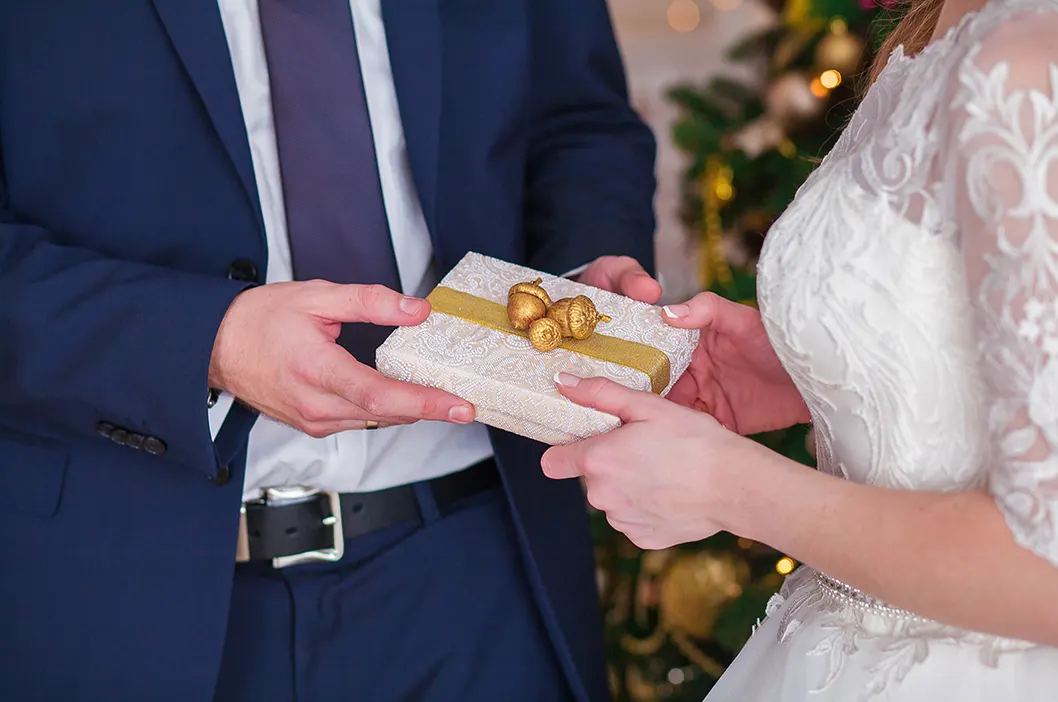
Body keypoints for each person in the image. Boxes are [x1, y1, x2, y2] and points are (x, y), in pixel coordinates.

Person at [0, 1, 660, 700]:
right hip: (116, 588)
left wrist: (581, 276)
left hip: (480, 558)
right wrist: (206, 342)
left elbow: (580, 123)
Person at [541, 0, 1058, 699]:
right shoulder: (943, 23)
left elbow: (1044, 569)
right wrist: (818, 374)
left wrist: (729, 487)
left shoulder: (1030, 59)